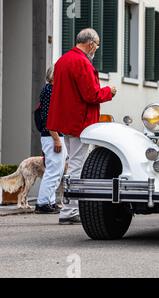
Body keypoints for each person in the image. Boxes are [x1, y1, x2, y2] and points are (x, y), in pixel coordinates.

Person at [47, 28, 117, 225]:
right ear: (91, 44)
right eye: (97, 46)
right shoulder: (82, 62)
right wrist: (109, 91)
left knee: (73, 163)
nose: (96, 49)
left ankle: (68, 207)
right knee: (77, 165)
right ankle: (69, 211)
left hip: (67, 119)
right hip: (80, 120)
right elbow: (91, 94)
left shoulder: (63, 60)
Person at [35, 66, 67, 214]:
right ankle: (42, 203)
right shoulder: (49, 91)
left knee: (57, 170)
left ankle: (50, 201)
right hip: (52, 136)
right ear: (54, 76)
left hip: (54, 135)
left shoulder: (51, 90)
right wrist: (56, 139)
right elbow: (48, 118)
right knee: (53, 171)